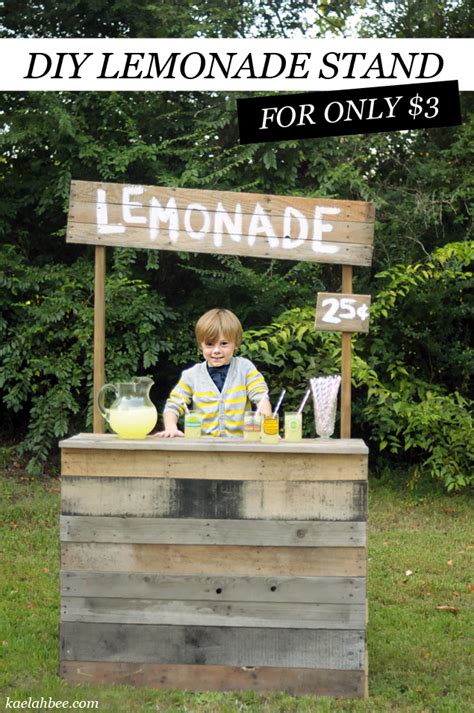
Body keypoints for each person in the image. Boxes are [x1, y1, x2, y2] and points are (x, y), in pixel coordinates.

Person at [156, 308, 272, 437]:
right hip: (203, 447)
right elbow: (174, 404)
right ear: (201, 346)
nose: (216, 350)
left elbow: (261, 398)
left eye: (223, 344)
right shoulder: (192, 375)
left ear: (236, 344)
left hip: (240, 447)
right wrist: (171, 427)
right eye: (210, 344)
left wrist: (268, 430)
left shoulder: (244, 368)